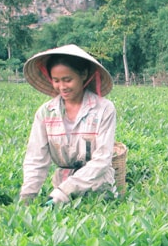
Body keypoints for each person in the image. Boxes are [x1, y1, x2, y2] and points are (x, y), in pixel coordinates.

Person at [19, 44, 117, 205]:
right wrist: (28, 195)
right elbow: (36, 158)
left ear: (83, 74)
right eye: (56, 81)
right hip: (59, 188)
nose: (62, 87)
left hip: (98, 191)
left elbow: (102, 160)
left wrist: (66, 190)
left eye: (67, 80)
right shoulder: (45, 112)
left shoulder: (104, 109)